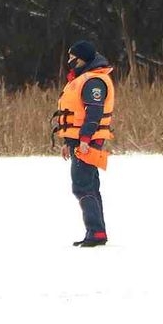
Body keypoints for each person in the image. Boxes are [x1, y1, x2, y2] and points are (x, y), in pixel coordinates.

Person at [51, 39, 115, 247]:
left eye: (73, 58)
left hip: (87, 141)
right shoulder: (81, 79)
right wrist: (67, 141)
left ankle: (95, 232)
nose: (69, 61)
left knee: (82, 186)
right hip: (78, 141)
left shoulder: (93, 82)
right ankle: (97, 231)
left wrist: (85, 139)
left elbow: (93, 113)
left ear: (84, 58)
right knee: (90, 186)